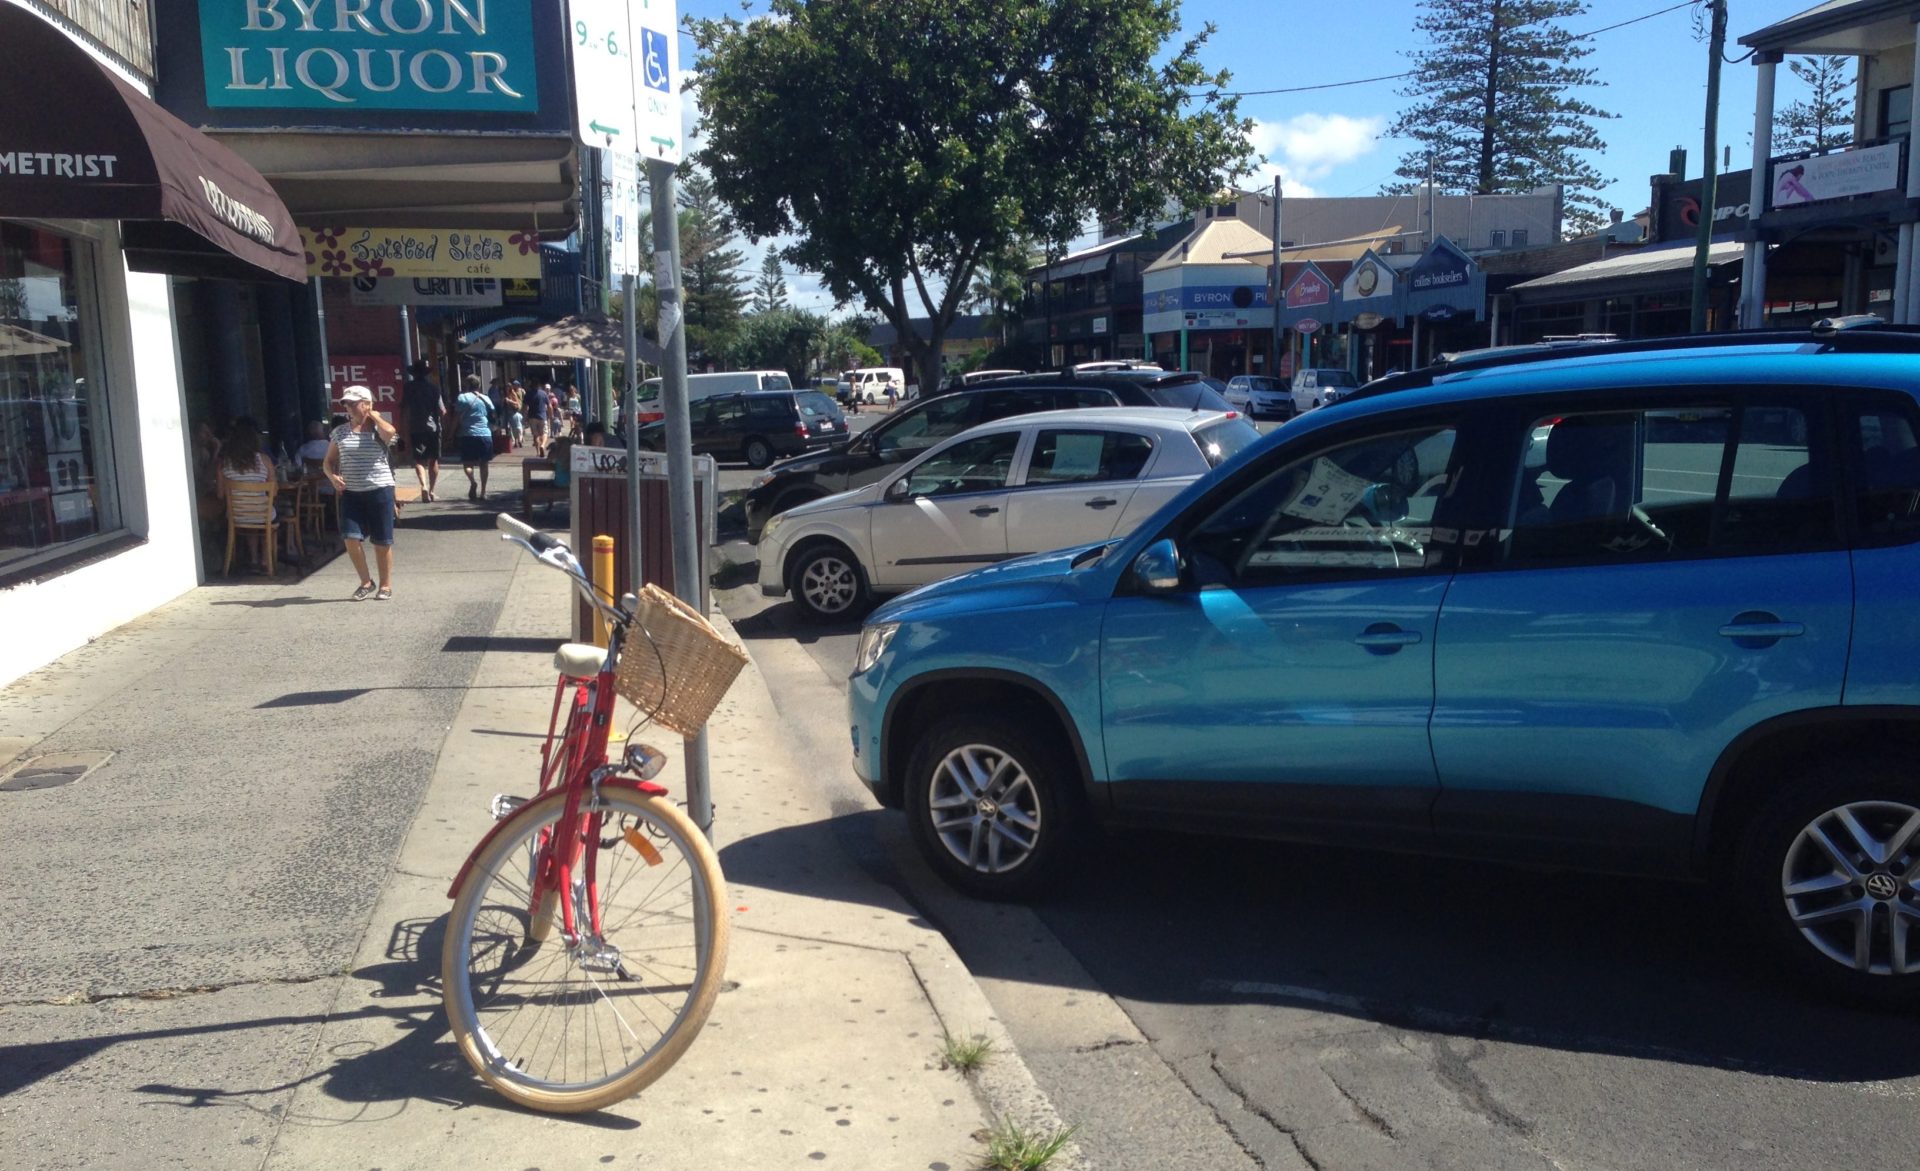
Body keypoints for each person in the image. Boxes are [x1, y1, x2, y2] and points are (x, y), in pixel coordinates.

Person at [325, 387, 399, 600]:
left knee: (382, 540)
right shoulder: (340, 432)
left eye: (353, 403)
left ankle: (385, 585)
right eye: (346, 404)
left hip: (380, 489)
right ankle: (366, 581)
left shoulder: (378, 431)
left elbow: (391, 432)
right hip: (351, 491)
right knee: (350, 537)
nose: (349, 408)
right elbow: (327, 462)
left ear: (367, 403)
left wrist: (375, 416)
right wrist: (332, 477)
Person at [218, 416, 280, 572]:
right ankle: (266, 560)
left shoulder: (224, 463)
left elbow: (220, 495)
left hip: (237, 515)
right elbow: (274, 491)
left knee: (251, 521)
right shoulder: (265, 460)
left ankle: (253, 559)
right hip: (262, 514)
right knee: (268, 519)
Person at [401, 360, 446, 502]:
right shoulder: (434, 388)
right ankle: (432, 490)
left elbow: (404, 409)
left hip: (415, 428)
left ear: (413, 374)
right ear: (426, 373)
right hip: (432, 429)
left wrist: (403, 428)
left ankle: (424, 485)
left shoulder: (408, 388)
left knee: (419, 459)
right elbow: (442, 411)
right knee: (433, 460)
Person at [452, 373, 496, 501]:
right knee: (484, 464)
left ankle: (472, 482)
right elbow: (493, 413)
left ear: (466, 385)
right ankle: (483, 492)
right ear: (479, 385)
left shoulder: (462, 397)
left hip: (468, 434)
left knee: (467, 464)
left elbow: (456, 417)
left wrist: (450, 433)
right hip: (485, 434)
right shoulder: (486, 398)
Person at [526, 377, 551, 456]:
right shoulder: (543, 393)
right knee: (545, 433)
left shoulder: (528, 394)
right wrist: (551, 415)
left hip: (532, 416)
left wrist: (525, 416)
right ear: (539, 385)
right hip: (542, 416)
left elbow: (525, 406)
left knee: (535, 435)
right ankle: (543, 445)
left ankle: (538, 452)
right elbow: (549, 405)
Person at [506, 379, 526, 447]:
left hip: (517, 409)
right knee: (516, 426)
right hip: (515, 409)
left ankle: (518, 439)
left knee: (517, 426)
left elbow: (518, 402)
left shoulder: (516, 392)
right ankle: (519, 439)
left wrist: (509, 401)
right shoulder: (514, 392)